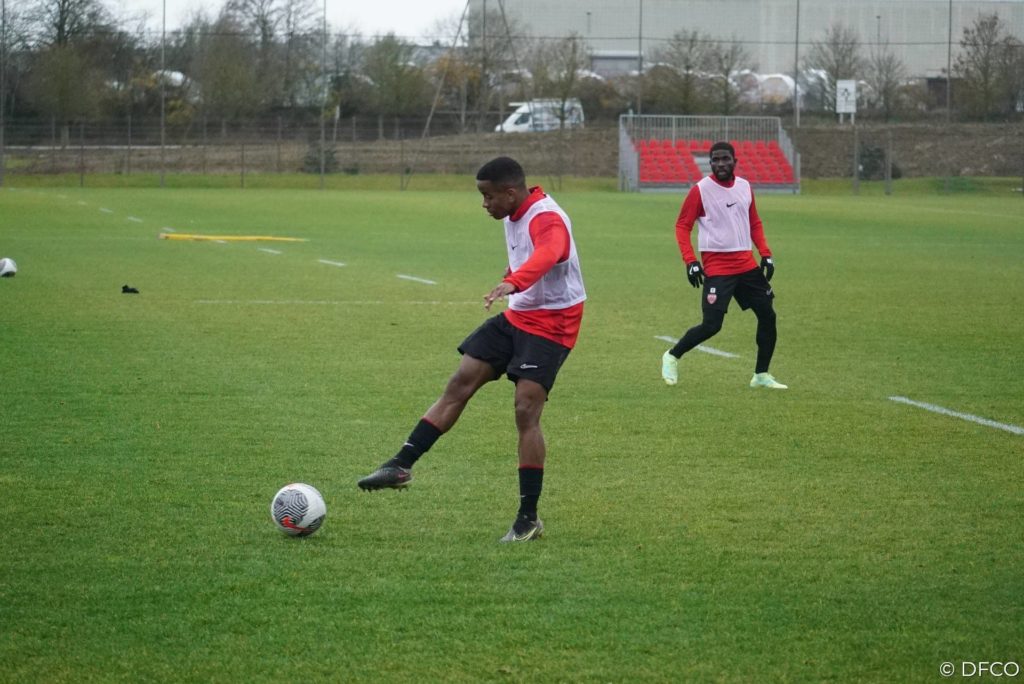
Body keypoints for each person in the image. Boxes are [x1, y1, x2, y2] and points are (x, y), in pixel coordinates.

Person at [358, 156, 587, 543]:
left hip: (553, 323)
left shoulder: (546, 217)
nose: (484, 204)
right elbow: (527, 255)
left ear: (510, 193)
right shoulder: (515, 212)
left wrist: (514, 282)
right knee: (461, 381)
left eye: (488, 196)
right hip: (518, 315)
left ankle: (528, 518)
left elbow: (549, 253)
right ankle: (400, 465)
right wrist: (512, 280)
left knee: (525, 410)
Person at [661, 141, 787, 390]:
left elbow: (754, 222)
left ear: (734, 161)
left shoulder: (744, 187)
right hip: (718, 267)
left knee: (768, 316)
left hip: (747, 265)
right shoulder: (700, 190)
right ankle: (672, 356)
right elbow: (682, 226)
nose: (720, 164)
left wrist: (766, 254)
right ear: (710, 163)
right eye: (716, 160)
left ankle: (761, 375)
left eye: (725, 159)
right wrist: (690, 261)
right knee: (712, 325)